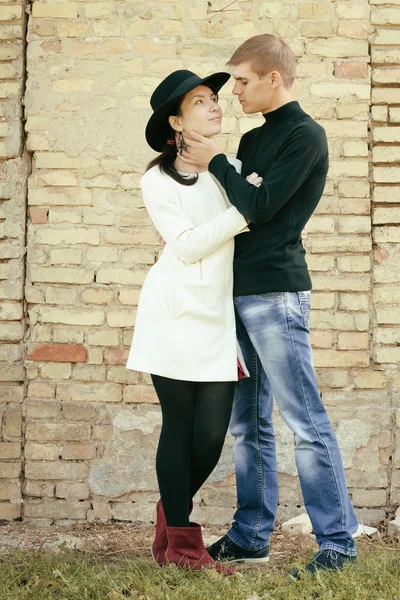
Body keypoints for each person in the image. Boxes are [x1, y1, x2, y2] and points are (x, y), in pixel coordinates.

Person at [180, 34, 359, 578]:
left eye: (242, 80)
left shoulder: (305, 136)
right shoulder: (256, 141)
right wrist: (231, 172)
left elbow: (257, 205)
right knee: (247, 423)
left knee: (305, 421)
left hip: (277, 293)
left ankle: (337, 545)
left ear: (272, 78)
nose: (233, 91)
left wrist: (218, 164)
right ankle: (252, 535)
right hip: (236, 291)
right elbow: (239, 203)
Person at [126, 69, 259, 574]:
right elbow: (184, 246)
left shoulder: (231, 168)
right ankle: (184, 550)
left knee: (210, 435)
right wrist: (244, 211)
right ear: (176, 122)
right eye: (201, 101)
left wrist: (242, 192)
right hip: (174, 312)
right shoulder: (157, 180)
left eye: (214, 99)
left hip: (218, 316)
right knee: (179, 428)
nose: (216, 105)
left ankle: (170, 520)